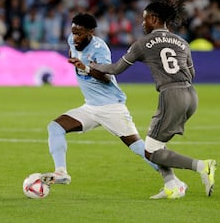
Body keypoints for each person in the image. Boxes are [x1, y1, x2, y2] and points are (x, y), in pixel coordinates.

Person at [71, 0, 217, 198]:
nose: (142, 23)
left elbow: (115, 69)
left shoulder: (143, 43)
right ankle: (171, 187)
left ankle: (202, 166)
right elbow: (192, 73)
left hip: (171, 96)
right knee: (157, 144)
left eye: (145, 18)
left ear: (154, 19)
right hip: (191, 95)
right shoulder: (182, 42)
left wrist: (91, 67)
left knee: (151, 152)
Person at [40, 13, 188, 199]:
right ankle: (61, 172)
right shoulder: (72, 41)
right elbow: (73, 52)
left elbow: (107, 76)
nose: (75, 37)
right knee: (55, 127)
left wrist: (85, 67)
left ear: (90, 32)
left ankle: (174, 182)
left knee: (139, 148)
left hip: (111, 107)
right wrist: (75, 59)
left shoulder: (100, 48)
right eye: (73, 32)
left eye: (80, 33)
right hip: (90, 107)